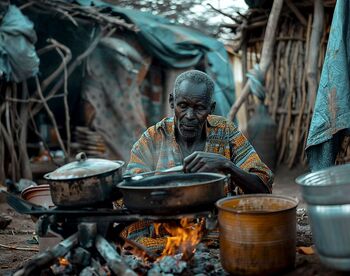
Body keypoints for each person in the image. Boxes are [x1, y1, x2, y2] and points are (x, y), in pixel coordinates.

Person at [126, 70, 273, 194]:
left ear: (211, 108)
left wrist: (226, 165)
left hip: (216, 222)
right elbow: (130, 188)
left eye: (200, 108)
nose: (189, 116)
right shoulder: (153, 137)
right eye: (183, 106)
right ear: (172, 102)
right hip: (166, 223)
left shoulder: (225, 132)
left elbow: (263, 187)